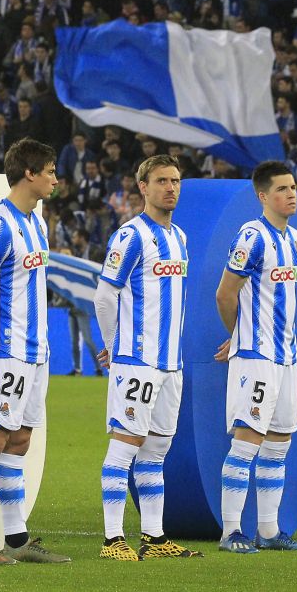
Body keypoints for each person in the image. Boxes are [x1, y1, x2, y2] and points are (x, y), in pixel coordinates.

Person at [0, 138, 70, 565]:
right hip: (4, 350)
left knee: (20, 439)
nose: (55, 180)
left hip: (34, 351)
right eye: (50, 171)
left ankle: (18, 539)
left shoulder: (35, 224)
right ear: (29, 173)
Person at [92, 155, 201, 561]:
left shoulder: (180, 238)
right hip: (137, 360)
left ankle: (153, 538)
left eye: (175, 180)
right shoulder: (130, 236)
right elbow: (104, 296)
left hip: (171, 362)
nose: (171, 187)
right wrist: (112, 346)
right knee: (125, 445)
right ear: (143, 187)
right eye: (161, 181)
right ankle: (111, 539)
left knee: (156, 450)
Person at [214, 160, 297, 553]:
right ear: (262, 196)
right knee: (247, 441)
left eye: (293, 188)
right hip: (256, 355)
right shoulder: (252, 236)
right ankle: (231, 531)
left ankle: (269, 531)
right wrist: (238, 335)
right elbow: (225, 293)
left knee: (279, 442)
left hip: (288, 355)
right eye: (282, 189)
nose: (291, 194)